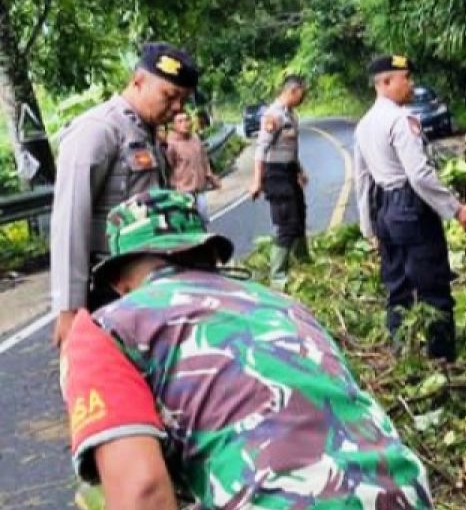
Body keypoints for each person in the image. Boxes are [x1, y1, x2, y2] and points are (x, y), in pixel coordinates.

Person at [59, 190, 433, 509]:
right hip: (403, 492)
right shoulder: (282, 304)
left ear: (120, 283)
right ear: (207, 255)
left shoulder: (104, 327)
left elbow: (142, 493)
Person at [49, 42, 199, 347]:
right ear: (138, 81)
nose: (176, 109)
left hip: (148, 283)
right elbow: (69, 224)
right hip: (111, 287)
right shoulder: (98, 131)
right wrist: (69, 309)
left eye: (182, 101)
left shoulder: (146, 132)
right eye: (169, 96)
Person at [353, 55, 466, 362]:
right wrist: (456, 209)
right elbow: (419, 176)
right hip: (410, 207)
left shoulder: (364, 125)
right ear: (386, 82)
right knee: (433, 285)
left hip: (385, 210)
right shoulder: (400, 121)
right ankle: (442, 359)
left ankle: (401, 356)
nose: (411, 84)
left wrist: (369, 228)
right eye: (405, 77)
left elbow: (362, 180)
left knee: (397, 289)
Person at [248, 74, 309, 288]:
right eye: (303, 93)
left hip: (290, 172)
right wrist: (257, 181)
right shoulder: (273, 116)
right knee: (287, 223)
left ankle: (303, 260)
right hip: (275, 176)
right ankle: (278, 277)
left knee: (300, 215)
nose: (305, 97)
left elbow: (289, 149)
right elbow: (260, 150)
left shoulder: (291, 115)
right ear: (293, 91)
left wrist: (299, 170)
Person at [165, 110, 221, 218]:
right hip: (183, 193)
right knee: (191, 223)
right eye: (180, 121)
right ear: (174, 125)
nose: (184, 124)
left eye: (186, 120)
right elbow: (167, 168)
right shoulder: (171, 144)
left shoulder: (195, 139)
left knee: (203, 220)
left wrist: (212, 178)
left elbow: (204, 160)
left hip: (199, 190)